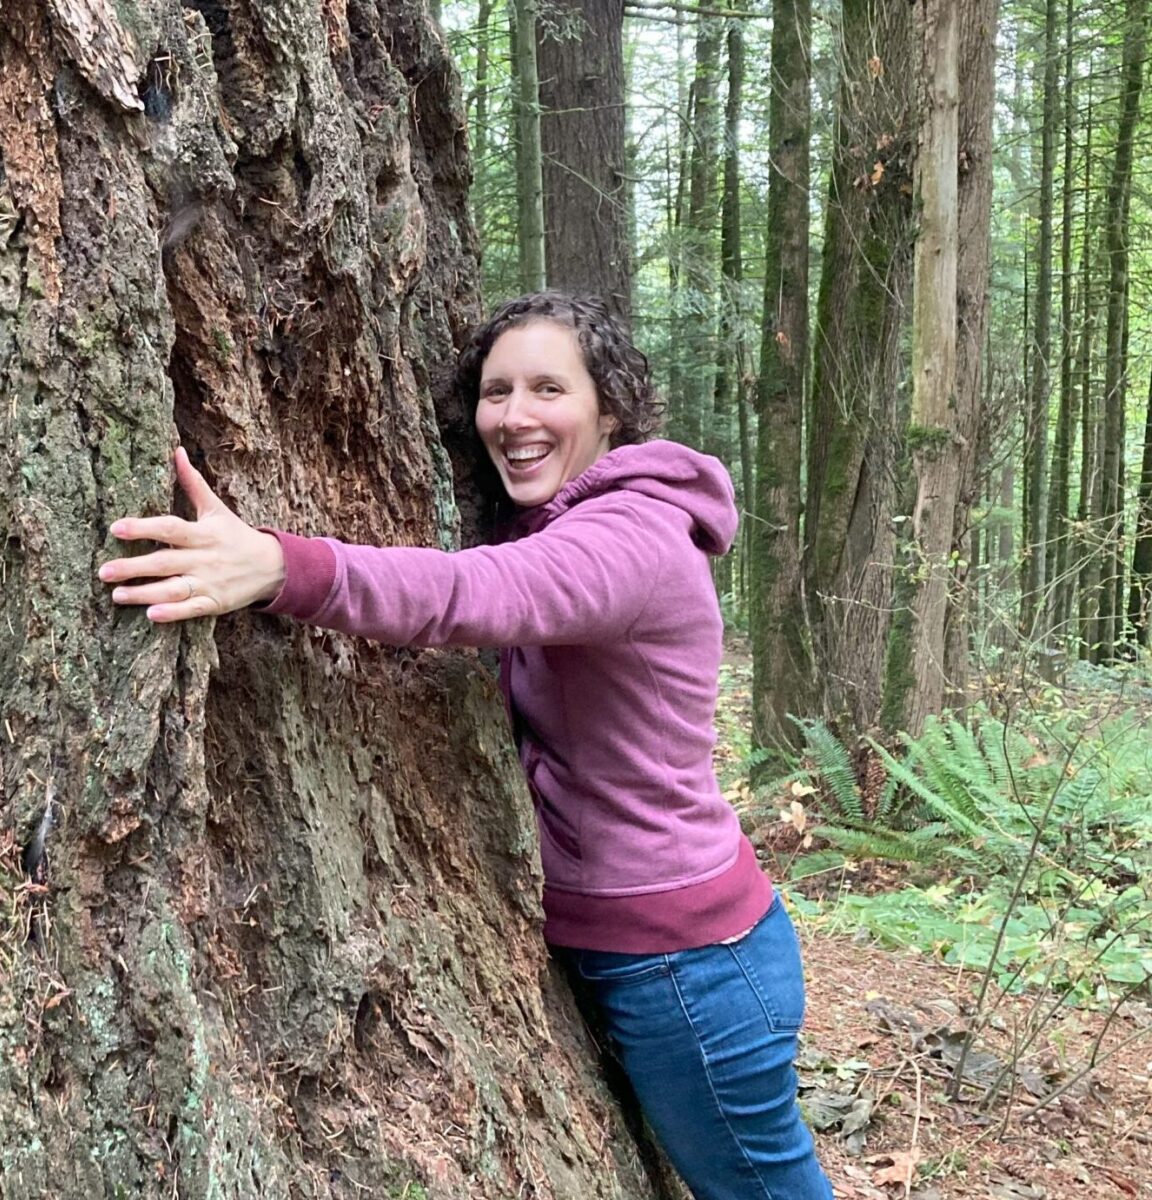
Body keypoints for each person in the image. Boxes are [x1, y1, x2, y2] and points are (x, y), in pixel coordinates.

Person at [99, 291, 833, 1200]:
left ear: (610, 410)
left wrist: (282, 566)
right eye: (496, 391)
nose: (515, 416)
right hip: (661, 945)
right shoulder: (574, 518)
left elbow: (472, 594)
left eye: (548, 389)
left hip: (687, 966)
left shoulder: (632, 536)